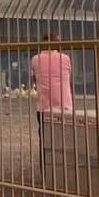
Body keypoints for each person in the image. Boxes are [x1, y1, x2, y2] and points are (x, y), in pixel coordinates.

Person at [30, 33, 73, 173]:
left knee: (45, 139)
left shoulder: (35, 60)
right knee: (65, 139)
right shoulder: (65, 59)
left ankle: (46, 170)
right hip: (64, 106)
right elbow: (68, 77)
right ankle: (64, 169)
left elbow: (34, 80)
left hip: (44, 106)